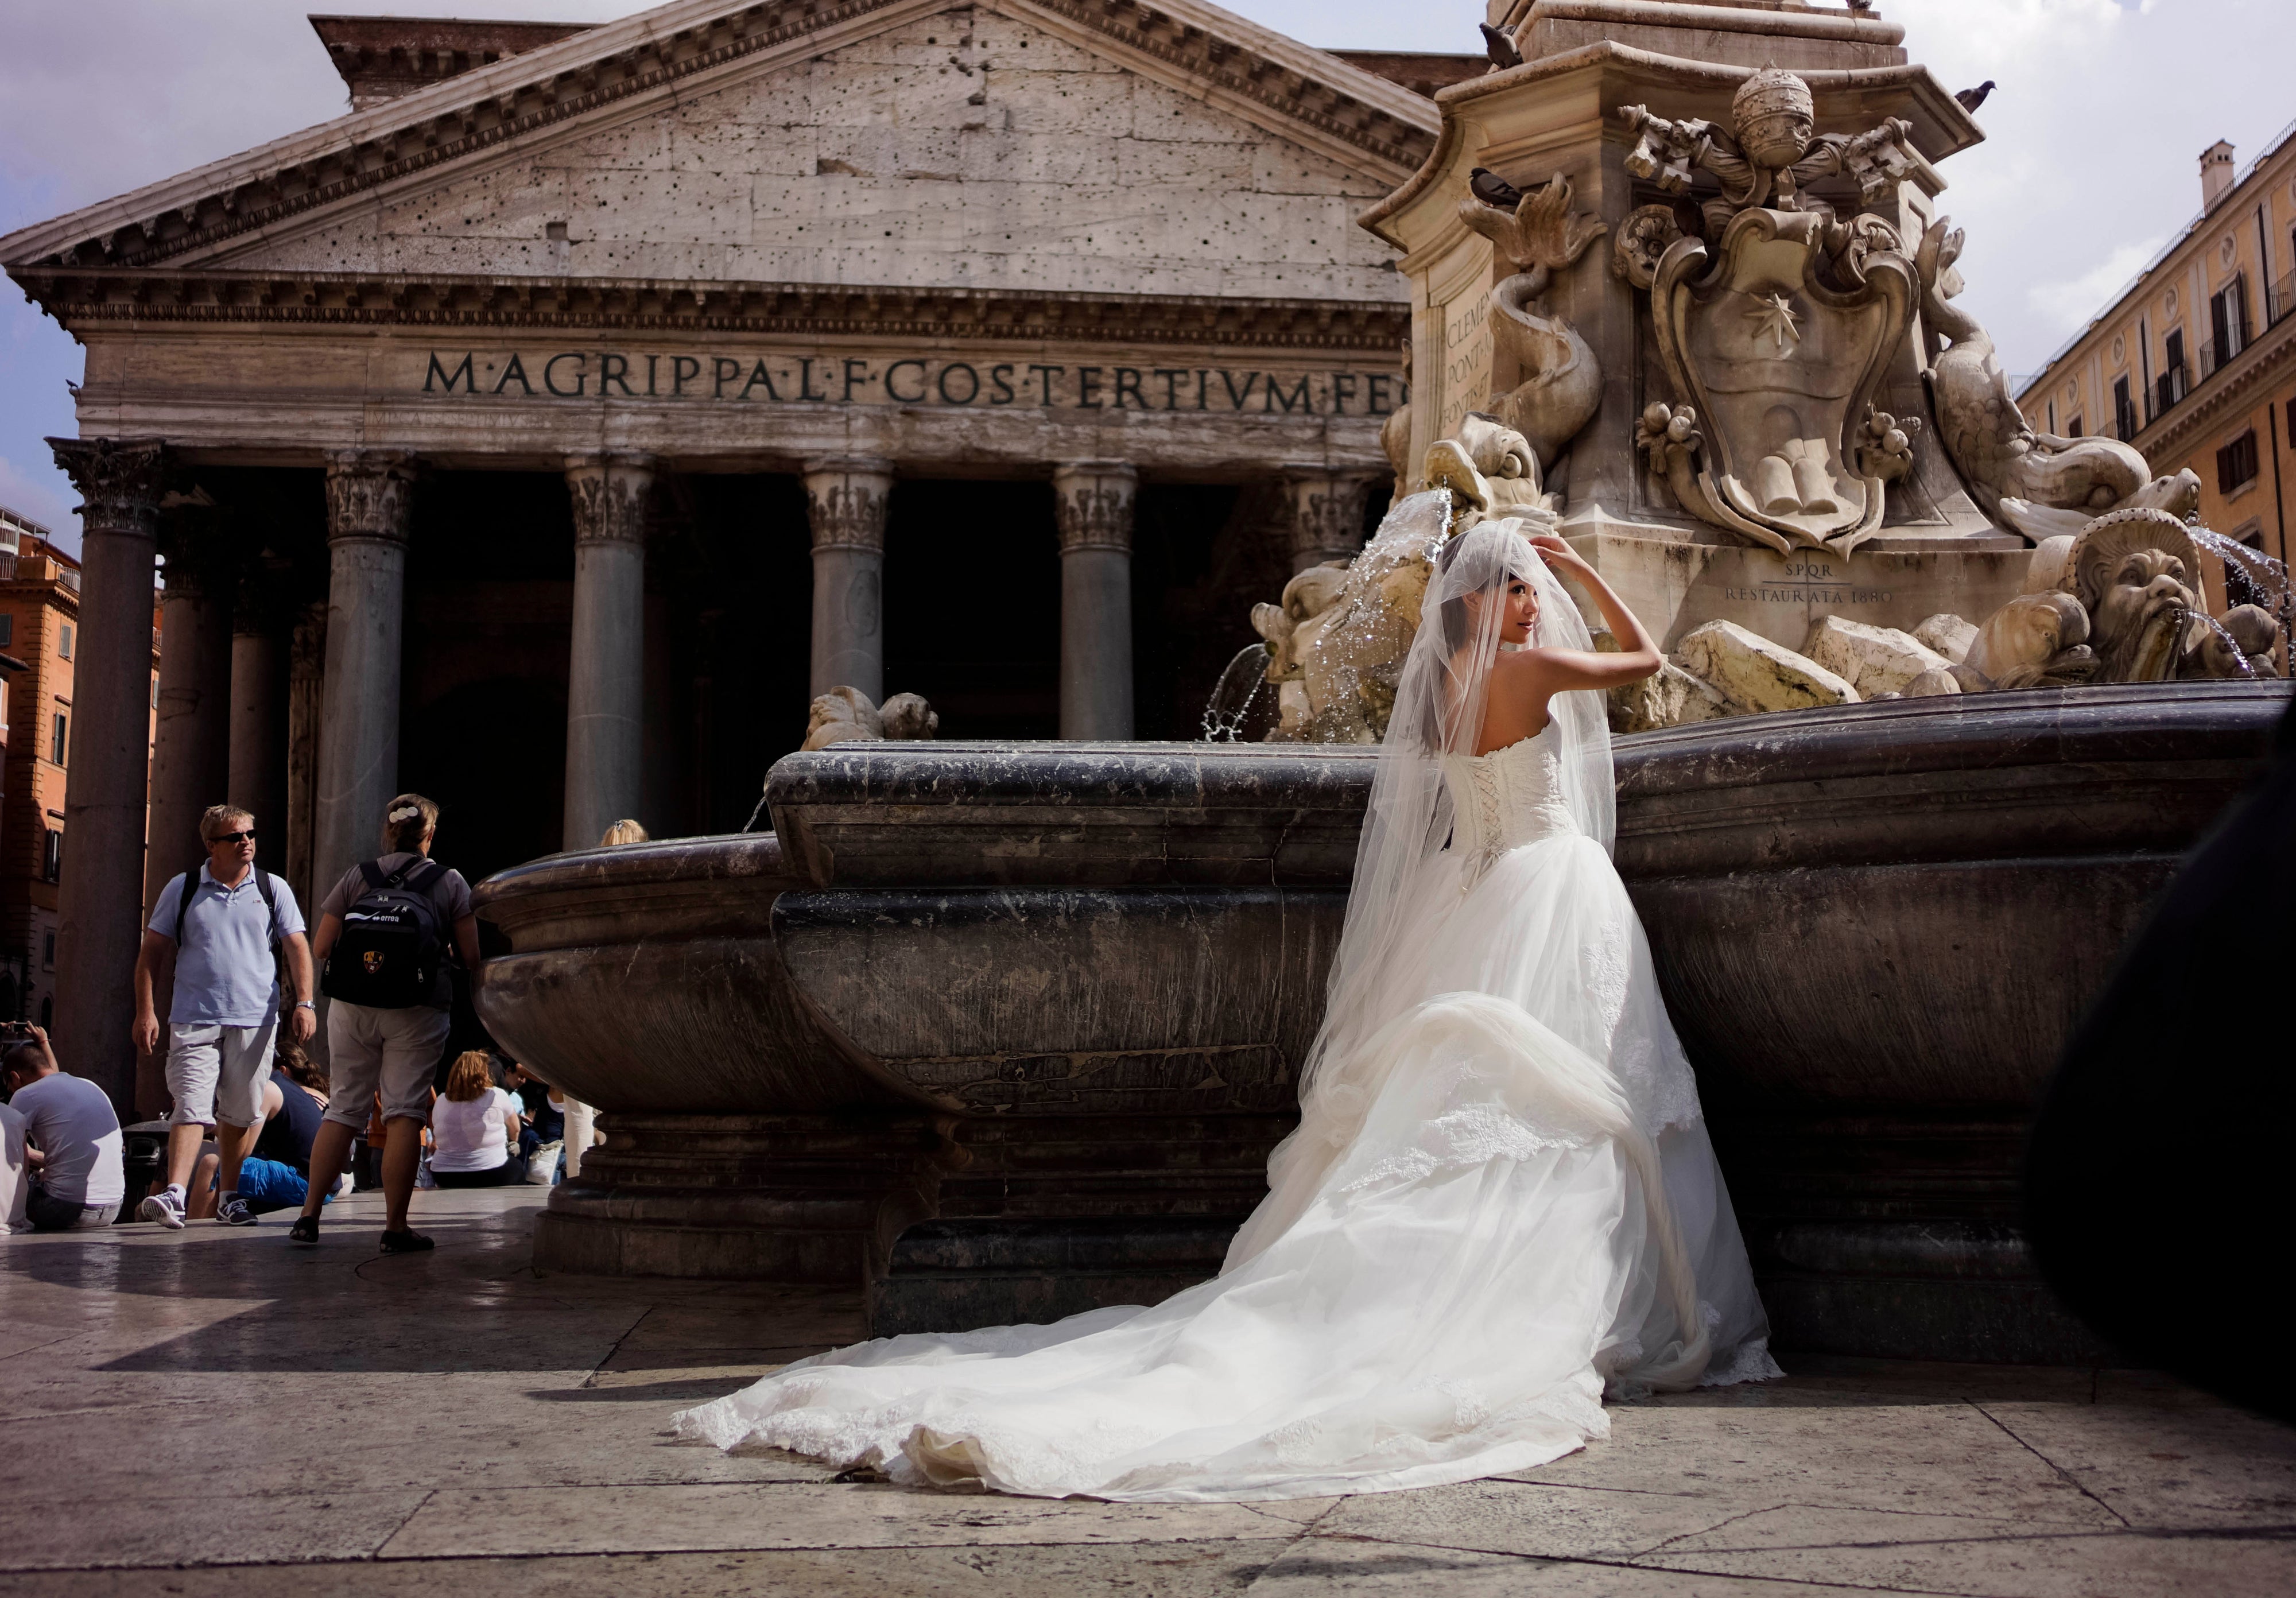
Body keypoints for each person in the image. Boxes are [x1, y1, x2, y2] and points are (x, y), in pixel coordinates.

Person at [672, 505, 1777, 1499]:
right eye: (1525, 582)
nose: (1536, 595)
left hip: (1476, 894)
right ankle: (1567, 1289)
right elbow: (1640, 661)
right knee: (1567, 1102)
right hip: (1547, 882)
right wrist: (1592, 581)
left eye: (1538, 583)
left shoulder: (1440, 687)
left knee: (1476, 1109)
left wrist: (1539, 589)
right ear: (1493, 597)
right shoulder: (1532, 673)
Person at [292, 793, 481, 1252]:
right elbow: (472, 957)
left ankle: (308, 1216)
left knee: (343, 1110)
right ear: (430, 836)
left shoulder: (360, 876)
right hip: (417, 1009)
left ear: (388, 832)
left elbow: (320, 948)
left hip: (354, 1006)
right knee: (403, 1115)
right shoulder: (449, 881)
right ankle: (395, 1227)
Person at [133, 805, 317, 1229]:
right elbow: (151, 954)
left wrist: (305, 1003)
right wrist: (147, 1012)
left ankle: (230, 1197)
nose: (247, 842)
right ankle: (176, 1194)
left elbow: (297, 947)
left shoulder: (273, 888)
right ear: (211, 845)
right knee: (192, 1104)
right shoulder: (183, 888)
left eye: (251, 833)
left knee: (240, 1112)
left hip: (256, 1019)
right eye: (236, 837)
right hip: (195, 1016)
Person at [2, 1025, 126, 1232]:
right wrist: (44, 1042)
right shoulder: (89, 1085)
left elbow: (13, 1157)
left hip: (64, 1209)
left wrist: (16, 1208)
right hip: (113, 1208)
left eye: (9, 1087)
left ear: (15, 1078)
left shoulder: (25, 1095)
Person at [428, 1051, 522, 1188]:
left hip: (444, 1174)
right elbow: (516, 1129)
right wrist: (512, 1143)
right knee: (518, 1167)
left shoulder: (442, 1099)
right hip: (490, 1171)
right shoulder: (497, 1094)